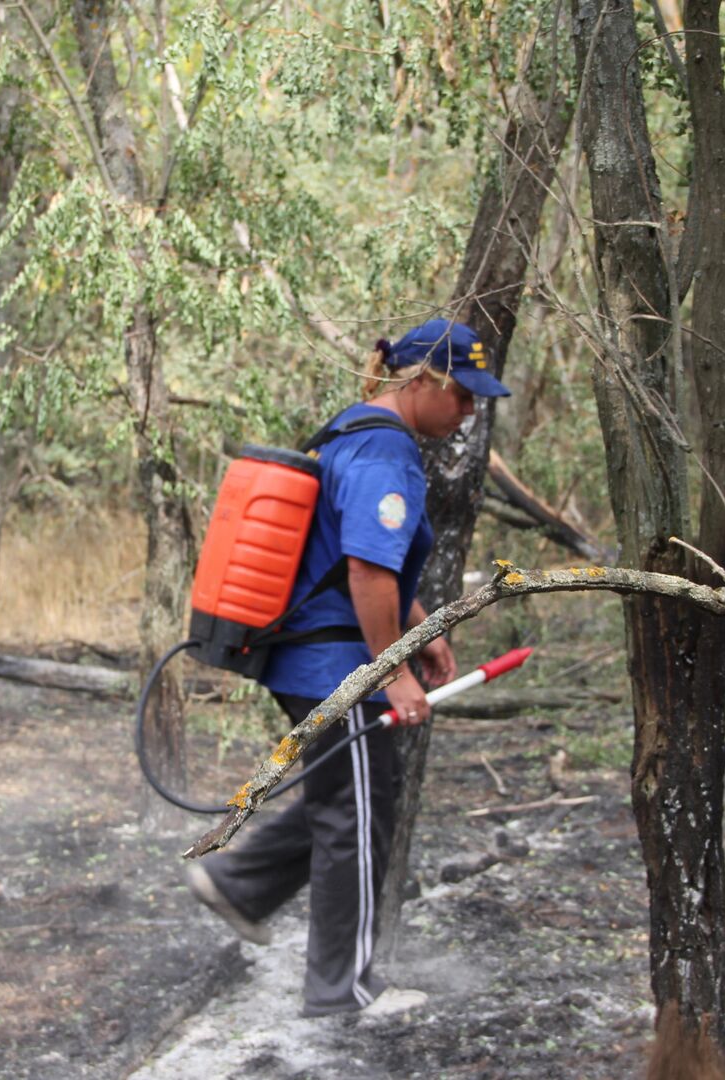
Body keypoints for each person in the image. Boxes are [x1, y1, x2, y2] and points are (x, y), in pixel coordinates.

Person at [185, 318, 511, 1018]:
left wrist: (417, 625)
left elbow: (357, 553)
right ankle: (343, 989)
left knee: (348, 799)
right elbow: (365, 566)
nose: (469, 412)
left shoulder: (350, 430)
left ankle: (238, 883)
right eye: (463, 396)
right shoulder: (387, 451)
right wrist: (393, 670)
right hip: (337, 664)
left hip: (310, 658)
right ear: (423, 381)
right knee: (357, 816)